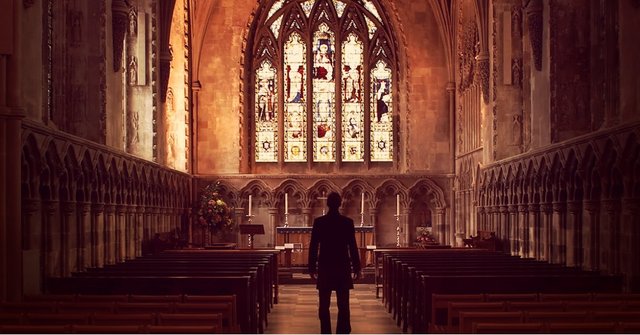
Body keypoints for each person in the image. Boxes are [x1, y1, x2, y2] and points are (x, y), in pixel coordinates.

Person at [308, 192, 361, 334]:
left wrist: (311, 268)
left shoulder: (319, 222)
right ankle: (343, 331)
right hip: (342, 267)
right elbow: (352, 246)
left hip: (325, 266)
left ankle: (325, 331)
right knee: (343, 304)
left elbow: (313, 246)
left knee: (324, 305)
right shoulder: (347, 222)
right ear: (340, 204)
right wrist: (357, 268)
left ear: (328, 204)